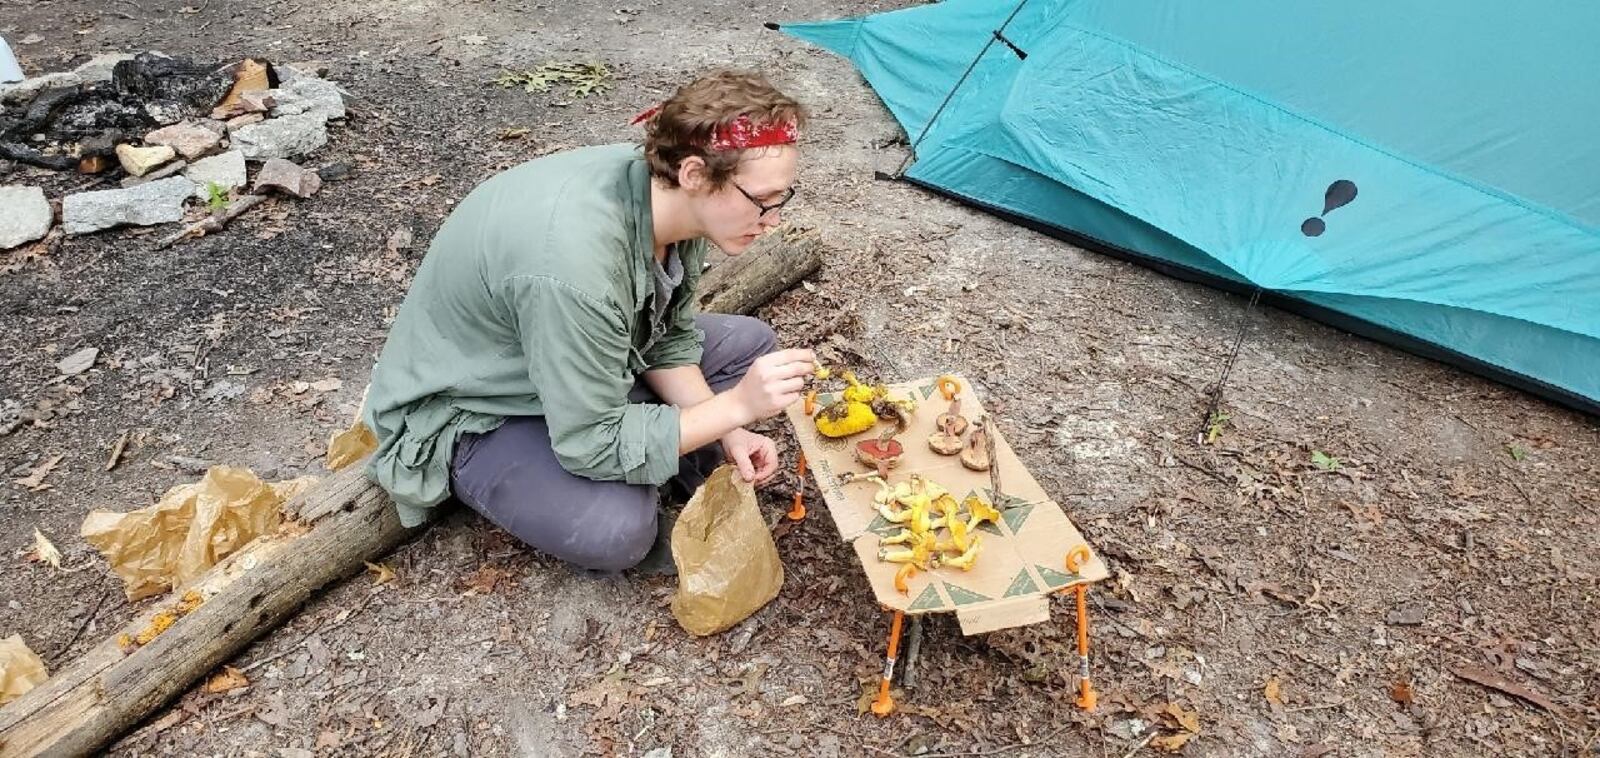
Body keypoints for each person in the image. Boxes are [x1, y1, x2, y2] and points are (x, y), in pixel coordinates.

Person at [362, 70, 817, 573]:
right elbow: (590, 443)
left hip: (574, 360)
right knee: (616, 530)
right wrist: (733, 407)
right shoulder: (574, 264)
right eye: (763, 202)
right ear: (693, 174)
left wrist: (727, 428)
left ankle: (664, 444)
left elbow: (666, 337)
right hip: (481, 406)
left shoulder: (669, 203)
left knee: (749, 342)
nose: (774, 220)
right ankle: (570, 465)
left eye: (782, 200)